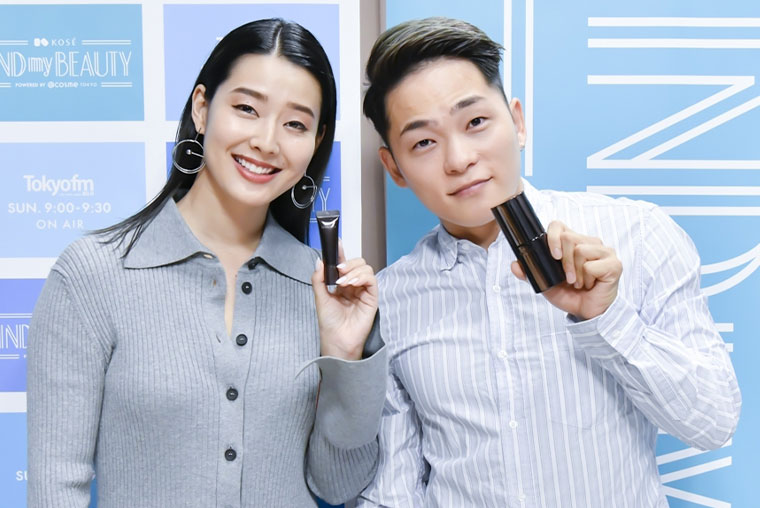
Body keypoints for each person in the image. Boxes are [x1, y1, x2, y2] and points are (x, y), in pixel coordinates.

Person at [357, 17, 740, 507]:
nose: (459, 159)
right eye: (424, 142)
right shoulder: (390, 299)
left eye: (475, 122)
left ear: (517, 123)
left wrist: (607, 319)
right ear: (395, 168)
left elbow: (713, 422)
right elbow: (393, 490)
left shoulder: (637, 235)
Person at [27, 19, 386, 507]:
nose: (267, 141)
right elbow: (56, 484)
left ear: (317, 141)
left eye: (295, 124)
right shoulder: (93, 274)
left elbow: (338, 485)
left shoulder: (323, 289)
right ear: (202, 107)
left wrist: (344, 355)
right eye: (246, 109)